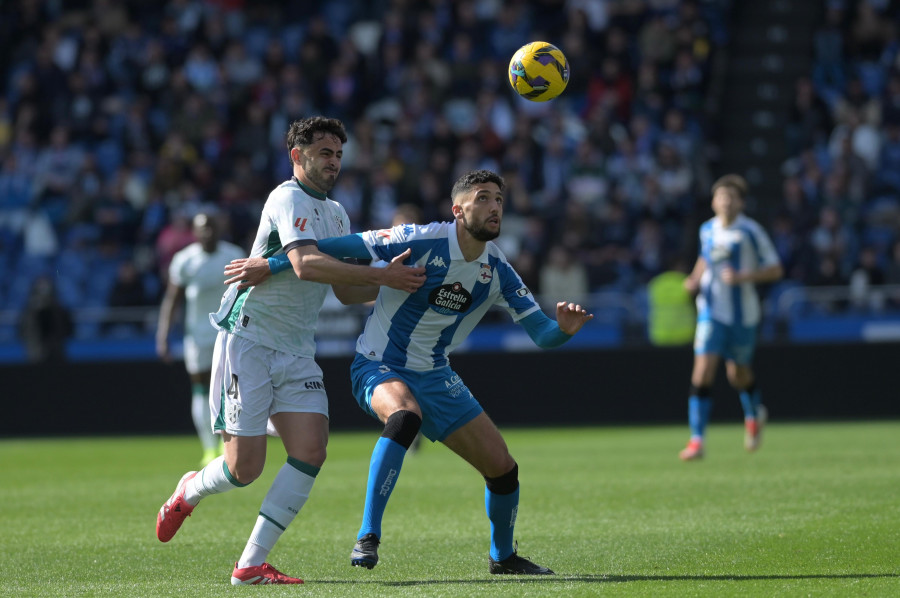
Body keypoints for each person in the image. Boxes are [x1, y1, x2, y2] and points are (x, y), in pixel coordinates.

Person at [232, 169, 593, 575]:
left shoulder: (498, 270)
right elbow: (337, 245)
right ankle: (368, 535)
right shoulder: (419, 239)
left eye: (499, 200)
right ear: (458, 210)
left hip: (436, 374)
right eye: (484, 198)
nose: (495, 207)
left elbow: (542, 334)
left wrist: (563, 331)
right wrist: (273, 262)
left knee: (504, 469)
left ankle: (503, 557)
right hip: (378, 363)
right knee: (405, 417)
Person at [154, 116, 426, 585]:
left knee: (311, 450)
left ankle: (249, 565)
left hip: (298, 348)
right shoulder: (286, 196)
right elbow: (304, 264)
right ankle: (189, 490)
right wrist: (380, 275)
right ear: (297, 157)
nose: (334, 162)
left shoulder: (338, 214)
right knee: (244, 469)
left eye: (339, 154)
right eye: (324, 153)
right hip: (250, 338)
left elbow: (344, 291)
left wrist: (401, 287)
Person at [679, 174, 783, 461]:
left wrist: (744, 277)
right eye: (721, 197)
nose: (726, 202)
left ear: (741, 202)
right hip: (711, 312)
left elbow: (775, 269)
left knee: (737, 373)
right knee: (702, 372)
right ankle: (697, 440)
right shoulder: (707, 230)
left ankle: (753, 414)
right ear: (713, 202)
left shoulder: (751, 232)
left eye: (731, 197)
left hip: (743, 315)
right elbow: (705, 257)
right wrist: (694, 279)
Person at [156, 211, 246, 467]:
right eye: (202, 228)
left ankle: (227, 440)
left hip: (230, 332)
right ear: (194, 233)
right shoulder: (185, 260)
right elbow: (172, 299)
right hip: (197, 335)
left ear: (219, 229)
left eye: (211, 227)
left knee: (231, 386)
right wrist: (163, 335)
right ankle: (209, 447)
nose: (207, 232)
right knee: (200, 387)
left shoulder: (234, 254)